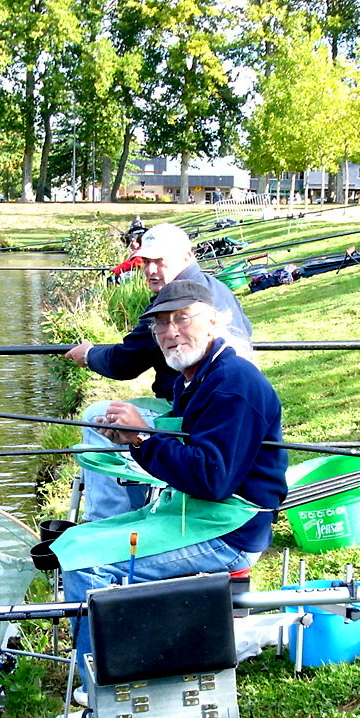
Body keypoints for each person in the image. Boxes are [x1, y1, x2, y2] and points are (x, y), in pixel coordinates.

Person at [49, 280, 286, 718]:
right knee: (77, 538)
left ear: (215, 321)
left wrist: (142, 437)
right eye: (161, 323)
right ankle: (121, 660)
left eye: (183, 318)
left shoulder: (234, 385)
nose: (171, 331)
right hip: (195, 512)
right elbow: (186, 452)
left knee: (84, 564)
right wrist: (133, 438)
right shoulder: (197, 375)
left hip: (230, 530)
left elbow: (212, 478)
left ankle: (102, 697)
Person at [64, 222, 254, 520]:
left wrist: (87, 354)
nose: (151, 270)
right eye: (146, 262)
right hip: (195, 400)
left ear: (187, 258)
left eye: (160, 261)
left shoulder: (179, 301)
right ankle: (139, 504)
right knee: (120, 422)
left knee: (97, 417)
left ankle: (108, 518)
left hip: (195, 410)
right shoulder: (216, 286)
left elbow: (124, 363)